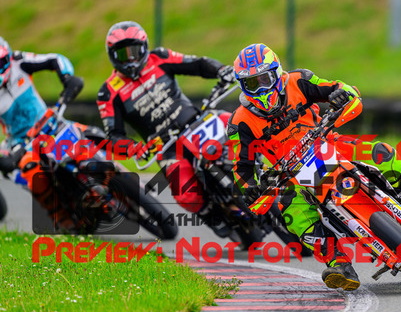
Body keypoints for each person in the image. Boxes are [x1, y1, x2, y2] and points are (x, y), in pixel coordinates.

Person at [227, 43, 401, 291]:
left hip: (329, 142)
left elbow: (339, 87)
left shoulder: (299, 80)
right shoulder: (239, 123)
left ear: (277, 73)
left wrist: (341, 95)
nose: (261, 88)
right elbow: (241, 167)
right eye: (251, 83)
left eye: (264, 79)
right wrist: (250, 188)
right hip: (290, 175)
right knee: (293, 215)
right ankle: (338, 263)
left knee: (384, 153)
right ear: (242, 86)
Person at [96, 21, 236, 225]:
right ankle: (212, 215)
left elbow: (197, 64)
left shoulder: (159, 57)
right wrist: (135, 148)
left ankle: (263, 169)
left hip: (197, 123)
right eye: (123, 54)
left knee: (234, 123)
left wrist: (221, 70)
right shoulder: (108, 92)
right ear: (112, 55)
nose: (131, 58)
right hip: (167, 149)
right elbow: (114, 136)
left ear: (144, 47)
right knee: (186, 194)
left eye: (134, 51)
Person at [0, 36, 84, 229]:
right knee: (31, 169)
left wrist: (67, 78)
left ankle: (114, 170)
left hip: (50, 122)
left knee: (86, 134)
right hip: (21, 142)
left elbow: (54, 59)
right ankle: (59, 214)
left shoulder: (19, 62)